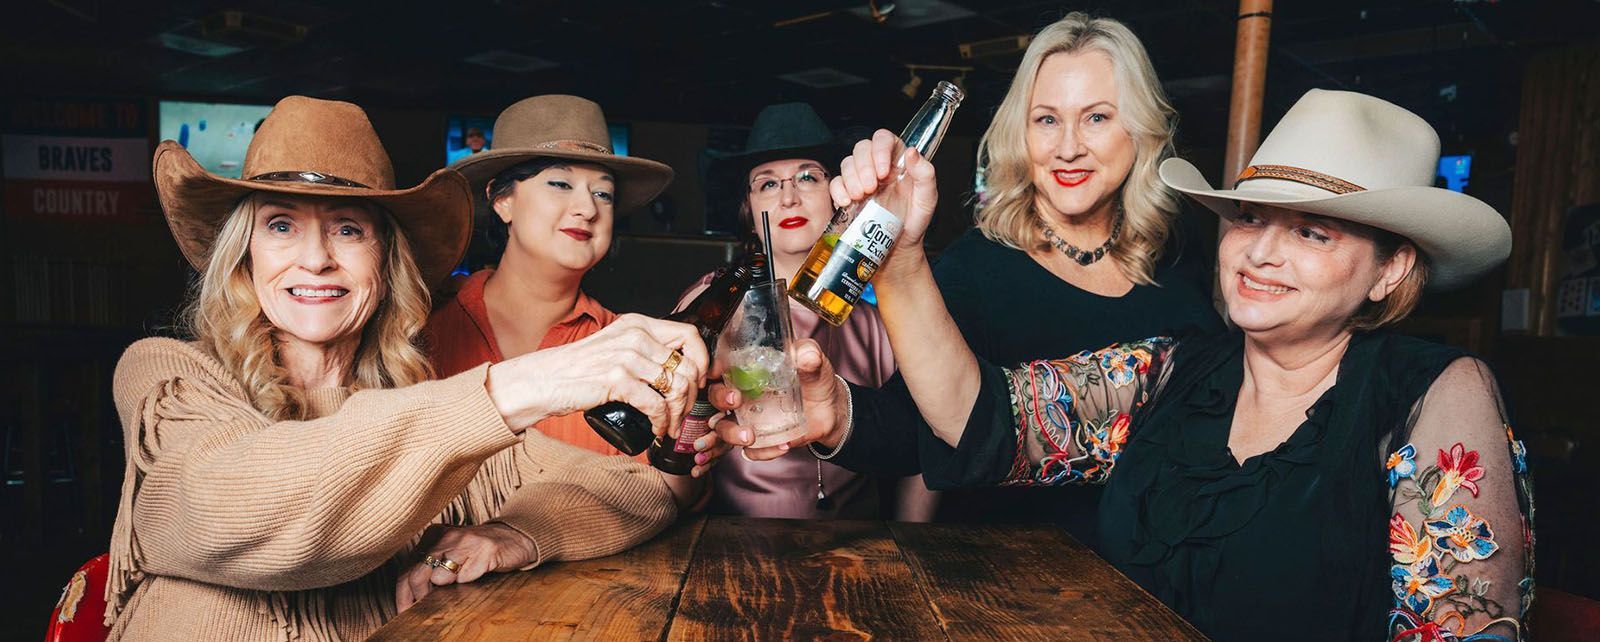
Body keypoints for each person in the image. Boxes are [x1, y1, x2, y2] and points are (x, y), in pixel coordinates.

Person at [726, 89, 1532, 641]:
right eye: (1250, 218)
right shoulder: (1172, 373)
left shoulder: (1433, 393)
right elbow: (991, 421)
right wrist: (890, 280)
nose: (1261, 252)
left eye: (1312, 233)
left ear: (1390, 271)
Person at [107, 96, 718, 640]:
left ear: (385, 259)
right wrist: (526, 383)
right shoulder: (170, 376)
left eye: (348, 230)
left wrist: (517, 533)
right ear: (243, 254)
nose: (316, 259)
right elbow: (223, 511)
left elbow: (645, 490)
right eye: (282, 225)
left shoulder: (421, 403)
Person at [923, 12, 1226, 528]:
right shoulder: (970, 271)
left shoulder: (1175, 254)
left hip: (1155, 581)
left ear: (1140, 128)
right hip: (1008, 584)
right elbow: (902, 431)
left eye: (1097, 117)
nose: (1068, 147)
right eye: (1046, 119)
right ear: (1020, 133)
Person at [424, 96, 719, 511]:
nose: (587, 209)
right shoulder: (419, 327)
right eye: (560, 184)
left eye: (604, 194)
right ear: (502, 200)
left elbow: (662, 497)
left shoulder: (629, 351)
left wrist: (689, 437)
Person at [680, 102, 936, 520]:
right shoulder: (711, 301)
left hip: (860, 555)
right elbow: (679, 448)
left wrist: (916, 544)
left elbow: (931, 439)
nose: (788, 196)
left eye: (806, 177)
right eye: (767, 184)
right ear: (749, 209)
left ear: (838, 194)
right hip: (734, 546)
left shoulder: (879, 316)